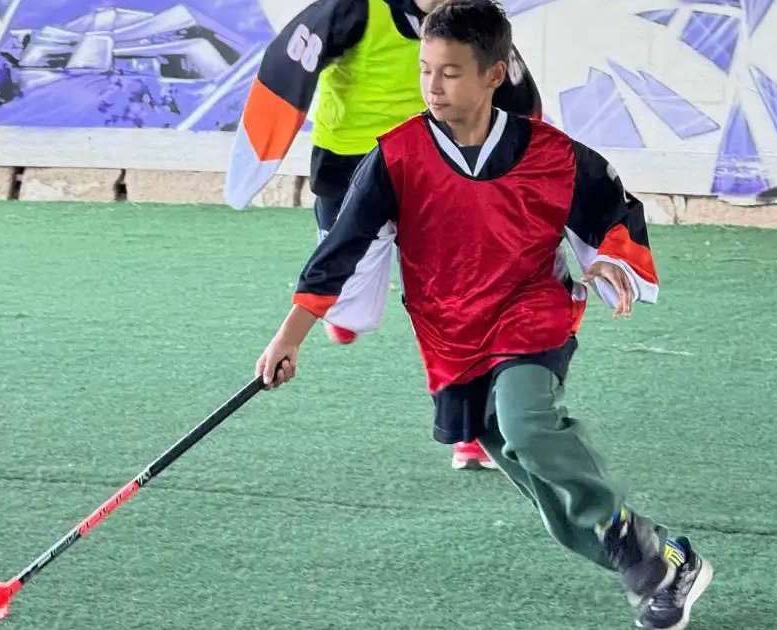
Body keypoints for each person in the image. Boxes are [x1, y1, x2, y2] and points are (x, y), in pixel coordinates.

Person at [253, 2, 713, 628]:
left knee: (526, 427)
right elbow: (340, 250)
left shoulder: (551, 154)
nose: (432, 87)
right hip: (451, 339)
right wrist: (290, 339)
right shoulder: (396, 157)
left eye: (450, 73)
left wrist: (609, 260)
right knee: (546, 497)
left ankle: (639, 551)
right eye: (425, 71)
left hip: (532, 317)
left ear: (495, 75)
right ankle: (661, 560)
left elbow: (616, 213)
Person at [227, 0, 541, 469]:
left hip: (431, 172)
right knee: (345, 300)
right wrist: (255, 156)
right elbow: (285, 67)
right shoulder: (352, 9)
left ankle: (470, 429)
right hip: (348, 173)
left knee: (456, 304)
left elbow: (518, 98)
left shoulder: (471, 18)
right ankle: (345, 311)